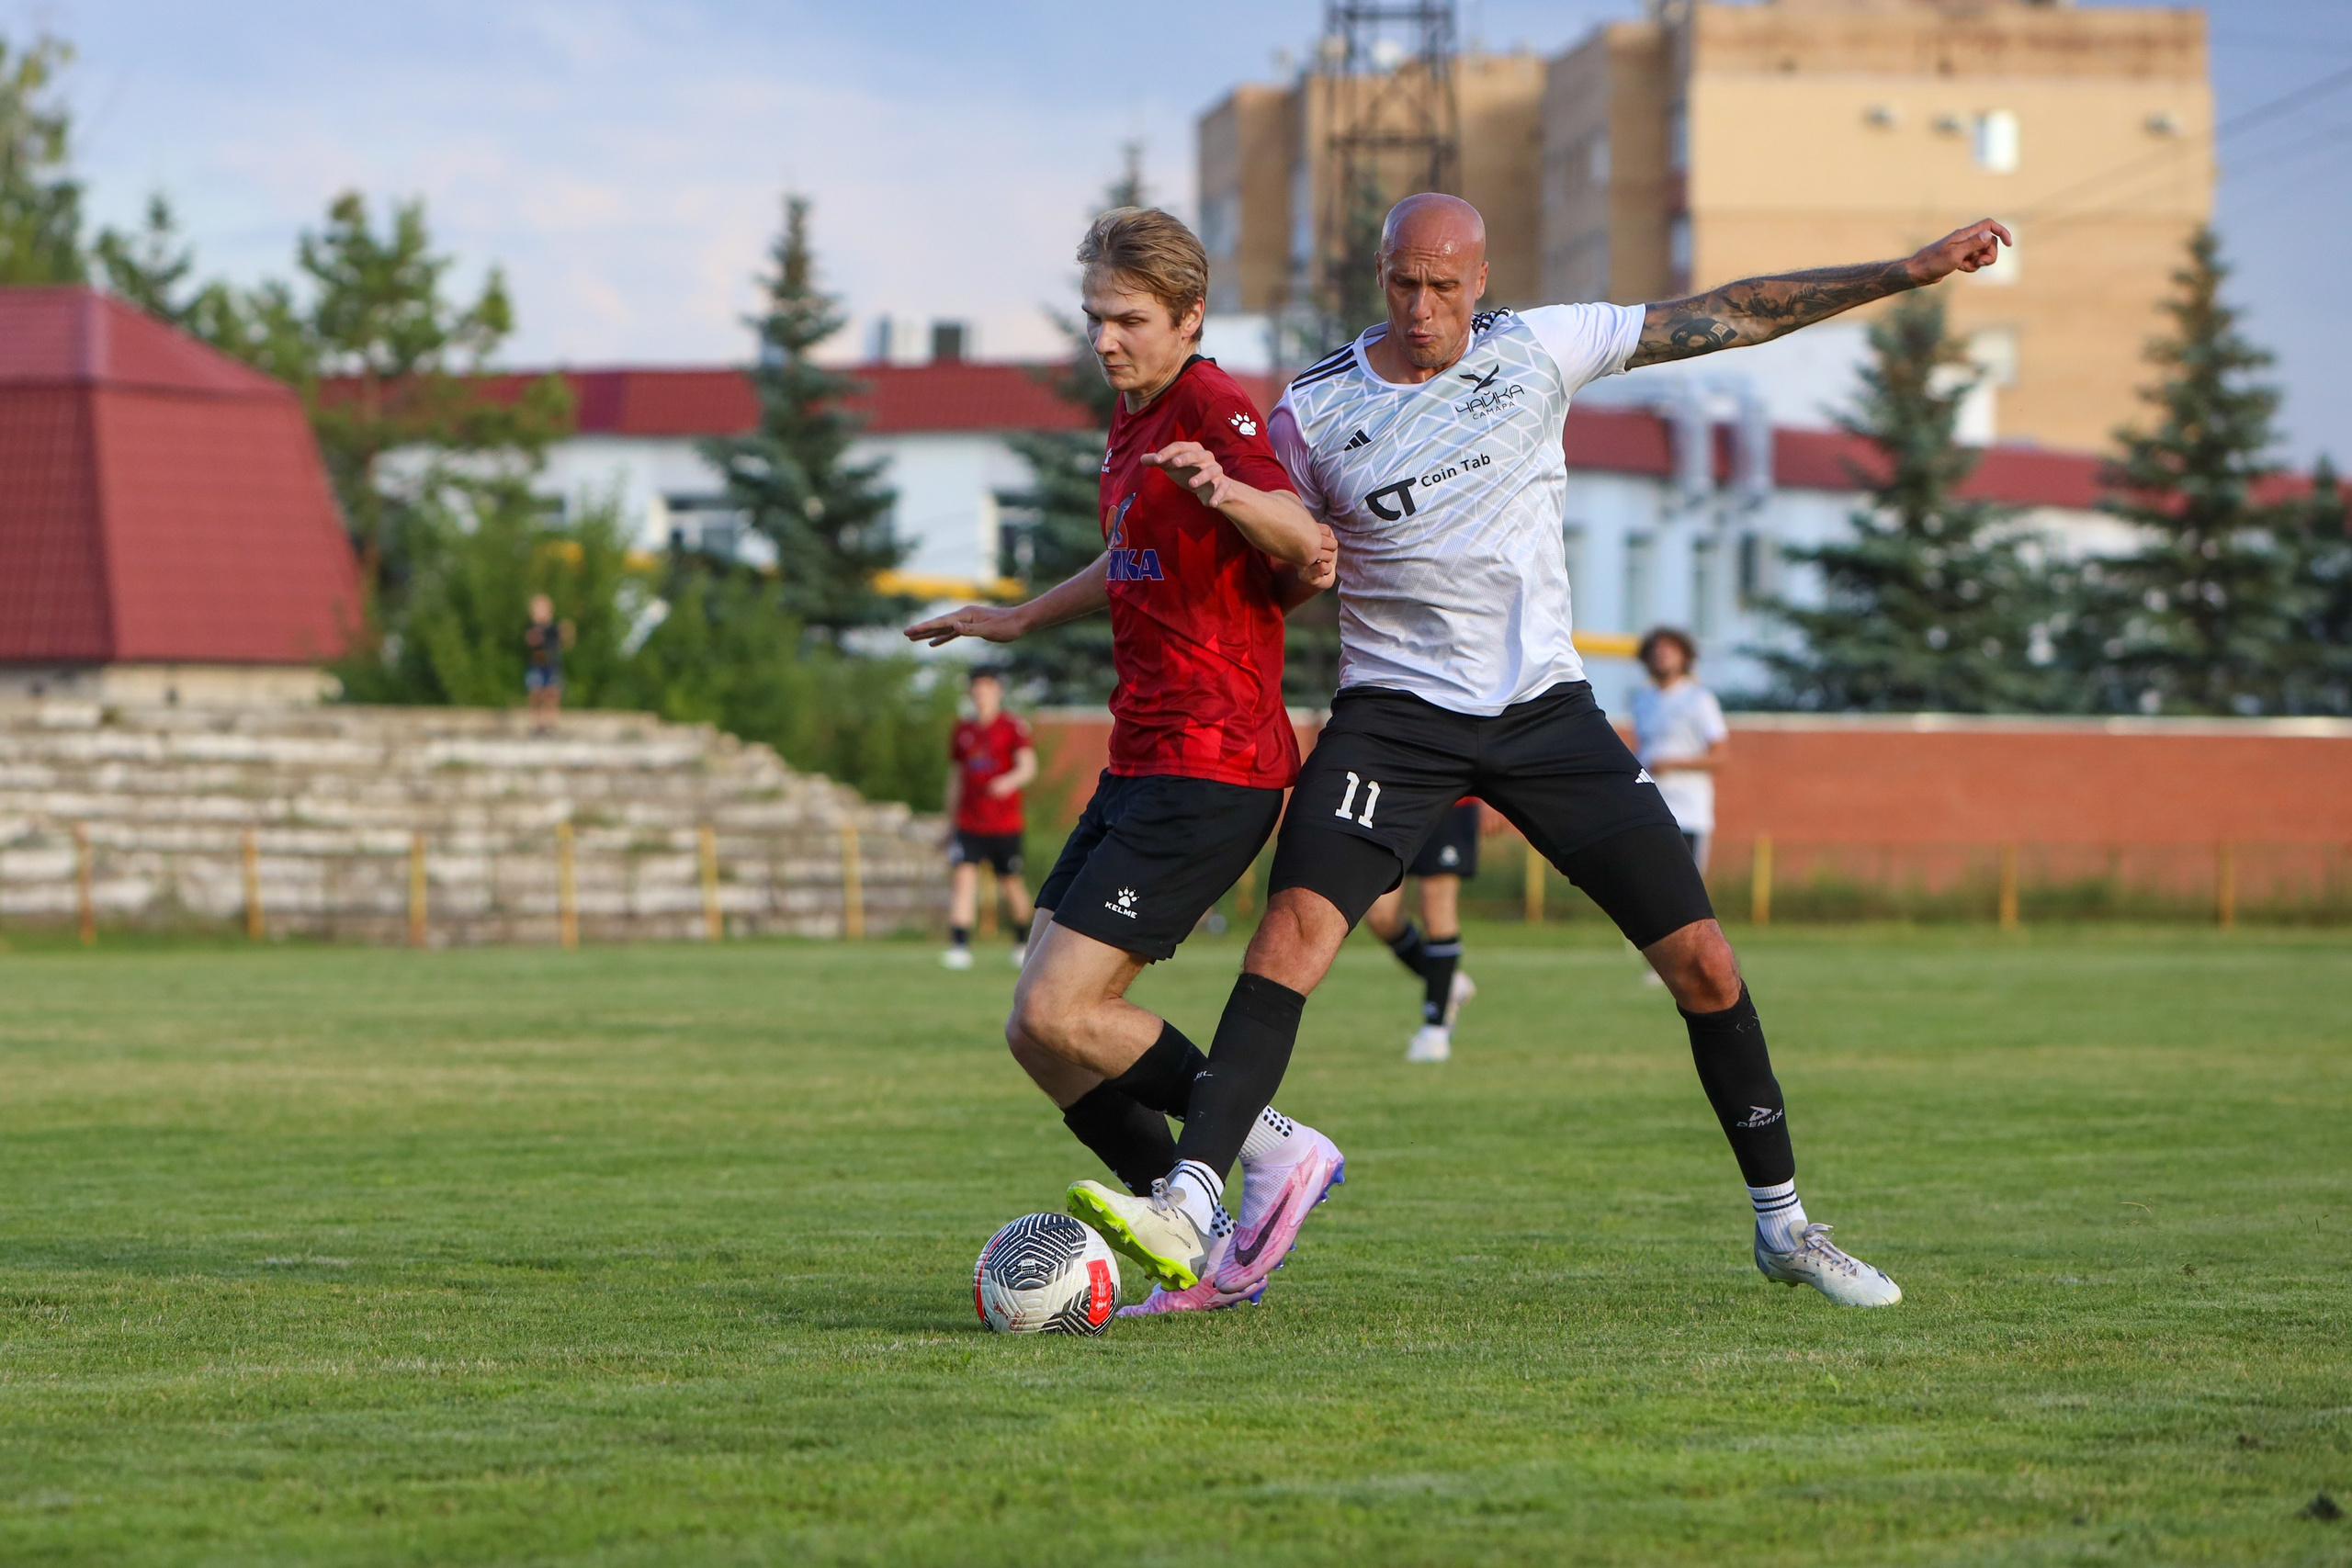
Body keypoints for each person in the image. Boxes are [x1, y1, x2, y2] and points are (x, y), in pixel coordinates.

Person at [1074, 193, 2013, 1310]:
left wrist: (1904, 272)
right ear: (1381, 275)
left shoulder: (1542, 345)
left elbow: (1736, 313)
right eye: (1401, 284)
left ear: (1482, 278)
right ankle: (1191, 1196)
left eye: (1444, 285)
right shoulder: (1314, 408)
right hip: (1394, 716)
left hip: (1545, 714)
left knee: (1705, 963)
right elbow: (1287, 563)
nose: (1421, 307)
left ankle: (1785, 1226)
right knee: (1289, 939)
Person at [905, 206, 1346, 1316]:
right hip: (1139, 756)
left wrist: (1230, 492)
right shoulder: (1130, 416)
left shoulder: (1212, 409)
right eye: (1094, 318)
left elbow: (1311, 548)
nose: (1103, 339)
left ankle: (1273, 1149)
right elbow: (1129, 558)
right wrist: (1015, 618)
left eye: (1127, 320)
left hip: (1214, 763)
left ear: (1189, 317)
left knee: (1064, 1012)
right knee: (1035, 1036)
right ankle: (1186, 1235)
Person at [1359, 799, 1482, 1062]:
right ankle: (1446, 982)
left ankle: (1435, 1032)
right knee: (1380, 914)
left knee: (1437, 907)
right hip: (1398, 799)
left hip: (1452, 799)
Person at [942, 669, 1039, 971]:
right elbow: (956, 777)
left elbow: (1028, 767)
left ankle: (1022, 941)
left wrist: (1007, 782)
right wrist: (948, 821)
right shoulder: (963, 730)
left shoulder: (1012, 727)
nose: (981, 694)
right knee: (963, 881)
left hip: (1004, 824)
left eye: (987, 688)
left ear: (997, 691)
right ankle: (959, 946)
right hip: (969, 822)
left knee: (1010, 884)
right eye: (976, 688)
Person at [1630, 629, 1729, 872]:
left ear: (1685, 657)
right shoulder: (1642, 700)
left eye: (1669, 649)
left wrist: (1672, 763)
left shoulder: (1698, 699)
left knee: (1686, 888)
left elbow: (1720, 756)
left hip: (1687, 811)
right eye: (1656, 649)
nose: (1661, 654)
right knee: (1648, 883)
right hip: (1650, 807)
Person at [523, 594, 573, 720]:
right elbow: (530, 640)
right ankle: (537, 721)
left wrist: (568, 632)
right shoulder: (532, 628)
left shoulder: (554, 629)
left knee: (552, 693)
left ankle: (550, 721)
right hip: (537, 665)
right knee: (535, 692)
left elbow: (566, 640)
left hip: (552, 665)